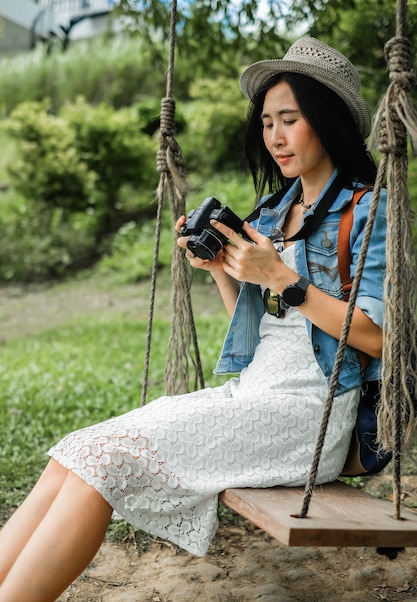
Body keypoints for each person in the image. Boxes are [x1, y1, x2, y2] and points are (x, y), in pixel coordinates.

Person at [0, 37, 386, 602]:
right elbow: (263, 340)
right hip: (252, 394)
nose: (275, 137)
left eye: (290, 120)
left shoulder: (367, 208)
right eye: (267, 122)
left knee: (107, 460)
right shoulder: (274, 215)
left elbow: (377, 337)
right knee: (79, 447)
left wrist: (282, 278)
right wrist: (223, 272)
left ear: (325, 120)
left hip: (310, 416)